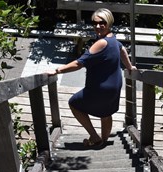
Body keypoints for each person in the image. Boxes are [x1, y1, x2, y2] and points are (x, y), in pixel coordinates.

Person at [47, 8, 136, 147]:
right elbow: (122, 49)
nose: (98, 26)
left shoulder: (101, 43)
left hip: (100, 87)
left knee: (74, 104)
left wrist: (57, 70)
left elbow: (79, 63)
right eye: (95, 23)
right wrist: (130, 67)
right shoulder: (112, 38)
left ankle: (95, 137)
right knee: (105, 113)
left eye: (102, 23)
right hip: (115, 86)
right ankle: (103, 142)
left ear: (109, 22)